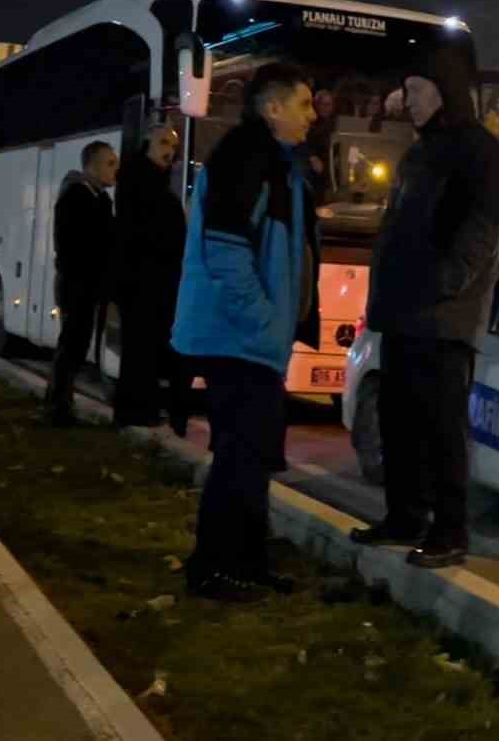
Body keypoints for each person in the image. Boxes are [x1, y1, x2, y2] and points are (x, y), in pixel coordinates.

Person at [352, 45, 499, 569]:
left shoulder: (480, 152)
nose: (408, 100)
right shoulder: (420, 153)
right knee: (397, 419)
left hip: (444, 318)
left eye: (416, 90)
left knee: (441, 426)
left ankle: (449, 530)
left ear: (443, 90)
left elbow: (479, 232)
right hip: (401, 312)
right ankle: (404, 517)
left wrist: (443, 284)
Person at [172, 62, 320, 601]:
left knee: (254, 456)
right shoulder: (244, 158)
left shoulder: (277, 164)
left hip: (253, 340)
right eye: (303, 103)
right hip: (236, 338)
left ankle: (247, 563)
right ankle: (214, 568)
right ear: (271, 107)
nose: (313, 114)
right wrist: (264, 322)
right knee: (239, 455)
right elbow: (227, 254)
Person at [112, 124, 187, 430]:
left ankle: (139, 409)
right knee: (141, 349)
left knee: (144, 349)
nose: (169, 150)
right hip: (145, 282)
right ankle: (137, 411)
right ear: (147, 143)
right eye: (163, 142)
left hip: (151, 281)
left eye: (172, 145)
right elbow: (144, 232)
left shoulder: (152, 180)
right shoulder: (140, 181)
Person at [44, 141, 118, 426]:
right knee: (72, 344)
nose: (115, 170)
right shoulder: (76, 197)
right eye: (110, 163)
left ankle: (59, 399)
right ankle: (59, 407)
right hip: (77, 285)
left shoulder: (99, 198)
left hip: (88, 285)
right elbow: (77, 246)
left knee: (75, 344)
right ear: (91, 166)